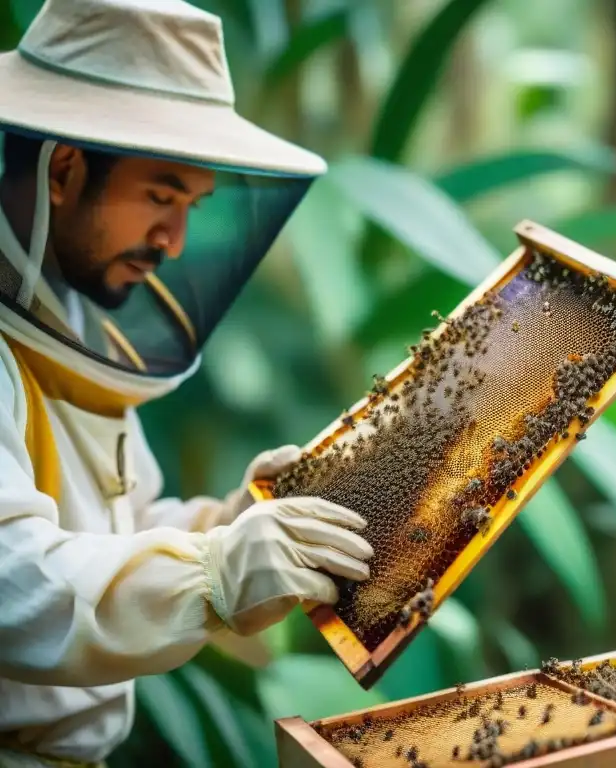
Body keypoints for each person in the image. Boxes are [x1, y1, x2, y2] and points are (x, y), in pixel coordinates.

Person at [0, 1, 374, 766]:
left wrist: (235, 521)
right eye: (160, 196)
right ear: (64, 171)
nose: (173, 242)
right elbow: (18, 589)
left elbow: (117, 533)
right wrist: (217, 570)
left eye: (191, 207)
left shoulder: (62, 320)